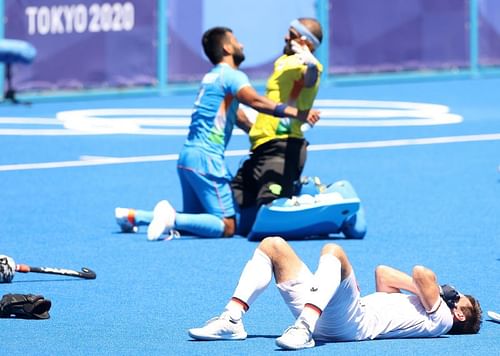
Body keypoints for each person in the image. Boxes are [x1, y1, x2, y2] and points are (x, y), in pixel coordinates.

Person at [115, 26, 320, 240]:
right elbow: (255, 101)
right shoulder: (232, 76)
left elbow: (237, 115)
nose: (242, 45)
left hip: (187, 159)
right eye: (236, 41)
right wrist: (298, 113)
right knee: (228, 225)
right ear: (226, 48)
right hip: (207, 161)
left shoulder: (211, 78)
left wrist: (259, 133)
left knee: (199, 220)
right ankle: (171, 218)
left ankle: (133, 216)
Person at [188, 237, 482, 350]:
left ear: (457, 313)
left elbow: (421, 273)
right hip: (336, 310)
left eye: (458, 299)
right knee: (273, 246)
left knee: (334, 251)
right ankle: (232, 319)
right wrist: (424, 293)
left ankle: (304, 329)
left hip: (353, 324)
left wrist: (441, 292)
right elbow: (383, 273)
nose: (451, 296)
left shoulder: (441, 318)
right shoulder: (423, 308)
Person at [231, 18, 324, 235]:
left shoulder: (306, 65)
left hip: (283, 148)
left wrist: (310, 63)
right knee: (233, 209)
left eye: (291, 34)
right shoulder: (283, 61)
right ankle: (298, 189)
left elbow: (309, 79)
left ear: (305, 42)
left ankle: (310, 193)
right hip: (261, 147)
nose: (285, 37)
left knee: (271, 210)